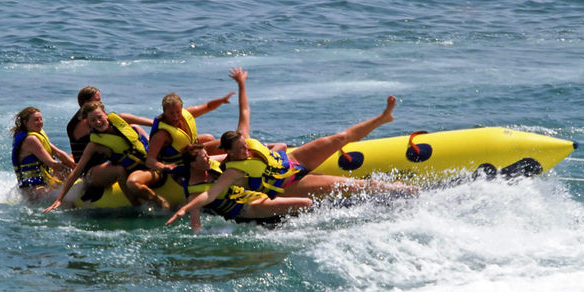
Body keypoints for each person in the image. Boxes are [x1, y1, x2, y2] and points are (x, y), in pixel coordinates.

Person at [166, 77, 416, 226]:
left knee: (339, 138)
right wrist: (185, 209)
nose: (246, 148)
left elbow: (244, 112)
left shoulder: (244, 139)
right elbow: (209, 195)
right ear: (231, 152)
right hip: (287, 183)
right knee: (348, 184)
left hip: (292, 160)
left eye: (245, 144)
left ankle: (383, 118)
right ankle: (401, 190)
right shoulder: (232, 170)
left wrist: (241, 84)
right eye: (241, 149)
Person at [166, 68, 313, 232]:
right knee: (305, 203)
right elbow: (197, 226)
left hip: (252, 194)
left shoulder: (216, 163)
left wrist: (241, 83)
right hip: (245, 208)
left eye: (207, 155)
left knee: (304, 200)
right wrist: (183, 212)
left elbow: (245, 112)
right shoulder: (194, 192)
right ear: (193, 164)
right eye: (204, 158)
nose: (209, 159)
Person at [125, 89, 235, 207]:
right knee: (223, 157)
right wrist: (164, 166)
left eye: (178, 112)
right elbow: (150, 160)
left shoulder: (186, 114)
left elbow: (207, 106)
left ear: (182, 109)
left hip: (193, 155)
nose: (176, 116)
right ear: (164, 112)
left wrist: (222, 100)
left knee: (228, 143)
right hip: (178, 167)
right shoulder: (162, 134)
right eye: (171, 113)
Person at [43, 101, 152, 213]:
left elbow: (154, 124)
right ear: (89, 123)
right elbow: (77, 171)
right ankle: (137, 207)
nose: (98, 122)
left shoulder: (121, 121)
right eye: (93, 120)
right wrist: (59, 199)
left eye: (99, 117)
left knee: (136, 128)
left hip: (135, 163)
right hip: (94, 175)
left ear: (105, 114)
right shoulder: (93, 144)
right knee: (119, 170)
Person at [11, 107, 76, 202]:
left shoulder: (37, 135)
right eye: (36, 120)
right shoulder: (30, 140)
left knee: (72, 157)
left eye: (41, 119)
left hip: (44, 184)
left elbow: (58, 152)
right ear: (25, 122)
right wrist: (76, 171)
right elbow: (52, 164)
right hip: (33, 192)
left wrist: (75, 165)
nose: (40, 122)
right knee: (67, 166)